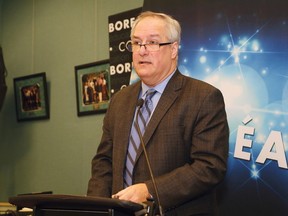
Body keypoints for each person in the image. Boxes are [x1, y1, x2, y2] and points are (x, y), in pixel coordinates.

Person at [87, 11, 229, 216]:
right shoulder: (119, 100)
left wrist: (150, 190)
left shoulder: (203, 97)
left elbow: (209, 167)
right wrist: (96, 209)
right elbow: (103, 163)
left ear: (173, 49)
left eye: (152, 43)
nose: (142, 51)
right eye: (136, 43)